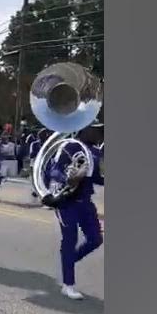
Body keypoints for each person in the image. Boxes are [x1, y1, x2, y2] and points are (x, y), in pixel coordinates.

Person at [45, 123, 105, 300]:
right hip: (66, 201)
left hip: (85, 201)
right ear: (85, 129)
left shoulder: (95, 152)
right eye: (97, 130)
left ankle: (68, 262)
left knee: (96, 239)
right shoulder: (69, 145)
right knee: (70, 238)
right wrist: (68, 178)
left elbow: (97, 178)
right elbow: (53, 170)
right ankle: (68, 284)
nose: (100, 134)